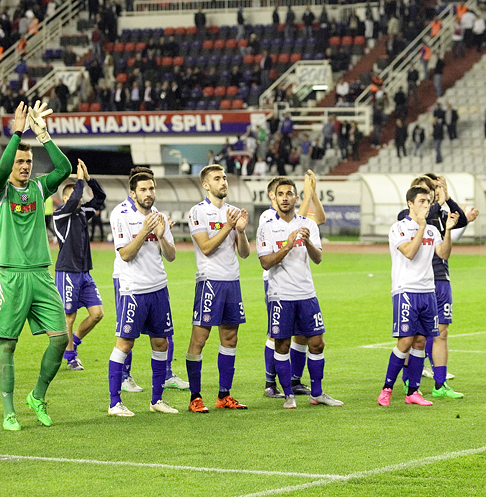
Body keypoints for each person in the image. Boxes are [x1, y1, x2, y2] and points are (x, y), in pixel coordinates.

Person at [0, 101, 72, 430]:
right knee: (7, 344)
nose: (24, 165)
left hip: (40, 274)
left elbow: (63, 170)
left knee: (60, 338)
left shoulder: (38, 188)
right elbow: (1, 168)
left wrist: (43, 135)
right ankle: (8, 411)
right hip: (10, 277)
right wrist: (17, 134)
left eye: (28, 160)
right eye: (20, 161)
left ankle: (37, 395)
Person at [256, 178, 342, 409]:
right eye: (280, 193)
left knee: (317, 343)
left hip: (307, 294)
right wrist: (287, 245)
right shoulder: (266, 225)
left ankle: (317, 393)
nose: (285, 197)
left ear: (296, 198)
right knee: (281, 345)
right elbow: (265, 263)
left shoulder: (308, 225)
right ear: (275, 197)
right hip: (281, 295)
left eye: (289, 194)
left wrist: (307, 243)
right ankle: (288, 396)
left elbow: (318, 258)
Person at [107, 170, 179, 417]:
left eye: (151, 189)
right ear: (133, 192)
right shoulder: (121, 214)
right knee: (125, 343)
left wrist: (161, 236)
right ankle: (114, 403)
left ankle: (157, 399)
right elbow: (125, 254)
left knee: (161, 343)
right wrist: (144, 231)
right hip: (133, 290)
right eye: (143, 190)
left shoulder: (158, 216)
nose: (149, 194)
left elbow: (171, 256)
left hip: (159, 288)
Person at [379, 185, 458, 407]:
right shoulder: (399, 228)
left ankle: (413, 392)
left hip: (428, 292)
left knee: (421, 341)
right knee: (405, 341)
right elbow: (410, 253)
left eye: (429, 201)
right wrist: (422, 226)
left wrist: (448, 230)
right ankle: (386, 388)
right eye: (422, 201)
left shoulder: (433, 230)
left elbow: (443, 254)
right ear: (410, 204)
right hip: (406, 290)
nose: (426, 205)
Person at [185, 165, 250, 413]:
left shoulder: (233, 212)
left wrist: (241, 232)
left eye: (224, 177)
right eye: (217, 178)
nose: (223, 181)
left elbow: (244, 253)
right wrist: (228, 227)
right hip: (210, 281)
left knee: (230, 338)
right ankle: (195, 396)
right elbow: (206, 248)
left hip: (232, 281)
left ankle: (224, 394)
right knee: (200, 339)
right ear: (206, 185)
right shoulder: (198, 212)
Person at [397, 175, 468, 398]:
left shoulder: (440, 215)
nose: (429, 200)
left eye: (432, 193)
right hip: (417, 282)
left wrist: (449, 199)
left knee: (441, 334)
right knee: (412, 335)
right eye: (425, 195)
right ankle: (409, 382)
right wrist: (439, 202)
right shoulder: (404, 218)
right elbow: (423, 218)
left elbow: (462, 220)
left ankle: (440, 384)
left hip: (441, 279)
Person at [52, 160, 106, 371]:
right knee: (69, 316)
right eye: (75, 195)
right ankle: (71, 356)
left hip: (84, 272)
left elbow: (100, 198)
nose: (80, 198)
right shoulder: (60, 215)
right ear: (64, 198)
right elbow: (75, 197)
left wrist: (89, 179)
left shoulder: (82, 212)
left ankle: (72, 342)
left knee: (97, 313)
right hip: (67, 272)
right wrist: (79, 181)